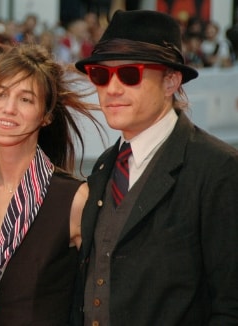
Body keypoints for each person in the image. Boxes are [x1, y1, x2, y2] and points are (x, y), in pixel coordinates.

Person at [72, 10, 238, 325]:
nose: (113, 88)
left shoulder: (218, 168)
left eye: (130, 74)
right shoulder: (105, 167)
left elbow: (230, 304)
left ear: (171, 81)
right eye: (101, 74)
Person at [0, 43, 101, 325]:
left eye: (26, 99)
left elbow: (99, 296)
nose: (8, 109)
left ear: (46, 115)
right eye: (0, 94)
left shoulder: (72, 199)